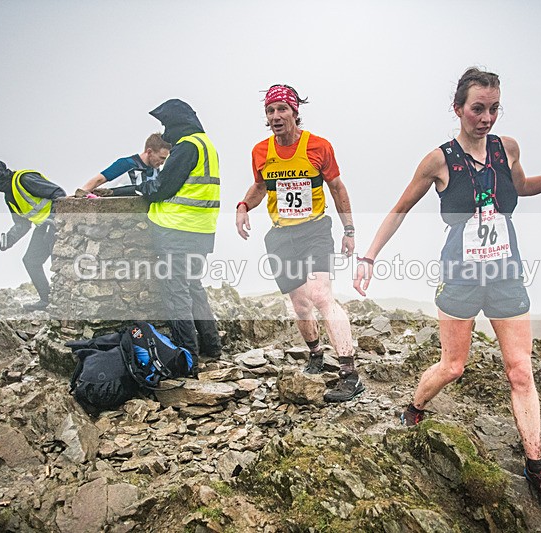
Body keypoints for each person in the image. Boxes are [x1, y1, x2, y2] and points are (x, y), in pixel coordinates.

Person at [353, 67, 541, 516]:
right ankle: (416, 405)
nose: (487, 118)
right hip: (459, 275)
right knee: (453, 366)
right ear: (458, 109)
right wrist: (368, 257)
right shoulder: (439, 161)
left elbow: (520, 187)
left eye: (494, 108)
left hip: (505, 273)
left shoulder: (507, 148)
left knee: (520, 370)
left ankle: (536, 467)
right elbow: (400, 209)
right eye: (478, 108)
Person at [236, 84, 363, 403]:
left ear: (295, 112)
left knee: (321, 295)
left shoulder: (318, 147)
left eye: (282, 109)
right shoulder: (260, 152)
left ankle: (349, 374)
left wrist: (349, 230)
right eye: (270, 110)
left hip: (316, 230)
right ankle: (316, 355)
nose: (276, 116)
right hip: (281, 236)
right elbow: (261, 186)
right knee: (300, 302)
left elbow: (337, 187)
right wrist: (242, 206)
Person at [136, 99, 222, 370]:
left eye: (166, 125)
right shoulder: (206, 144)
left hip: (177, 229)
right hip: (202, 230)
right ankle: (212, 346)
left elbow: (162, 188)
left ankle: (187, 358)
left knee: (176, 293)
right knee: (193, 287)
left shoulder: (186, 147)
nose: (165, 131)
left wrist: (144, 188)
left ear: (176, 124)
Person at [0, 159, 67, 311]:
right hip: (43, 226)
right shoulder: (9, 196)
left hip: (58, 223)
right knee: (30, 260)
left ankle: (64, 302)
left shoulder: (24, 180)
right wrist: (9, 239)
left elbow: (59, 194)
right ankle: (46, 300)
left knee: (57, 261)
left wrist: (52, 220)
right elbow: (22, 224)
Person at [78, 133, 171, 196]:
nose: (163, 162)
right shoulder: (126, 164)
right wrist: (79, 195)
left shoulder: (156, 170)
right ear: (149, 151)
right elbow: (98, 180)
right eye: (161, 158)